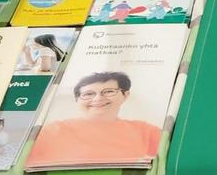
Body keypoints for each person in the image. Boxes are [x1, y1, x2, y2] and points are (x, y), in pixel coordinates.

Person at [30, 70, 161, 166]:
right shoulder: (52, 131)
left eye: (109, 91)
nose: (98, 99)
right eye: (89, 94)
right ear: (77, 99)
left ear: (125, 95)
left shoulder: (146, 131)